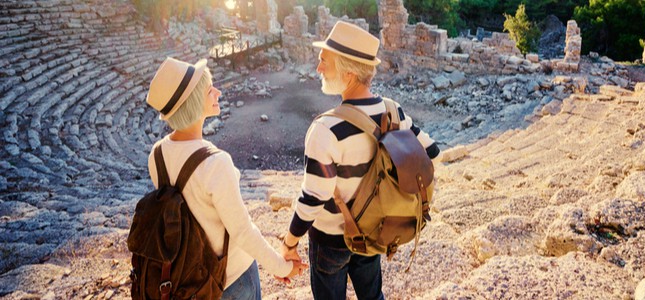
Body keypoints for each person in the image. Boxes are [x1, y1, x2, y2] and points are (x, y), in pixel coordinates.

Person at [279, 21, 441, 300]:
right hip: (374, 230)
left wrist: (289, 241)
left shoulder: (325, 129)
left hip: (331, 242)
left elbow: (314, 198)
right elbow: (432, 152)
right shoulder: (394, 111)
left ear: (349, 73)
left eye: (324, 61)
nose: (318, 68)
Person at [144, 57, 307, 299]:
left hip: (186, 276)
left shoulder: (156, 154)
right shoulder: (216, 163)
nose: (218, 92)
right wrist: (282, 267)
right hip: (230, 279)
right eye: (210, 90)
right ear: (195, 103)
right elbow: (242, 232)